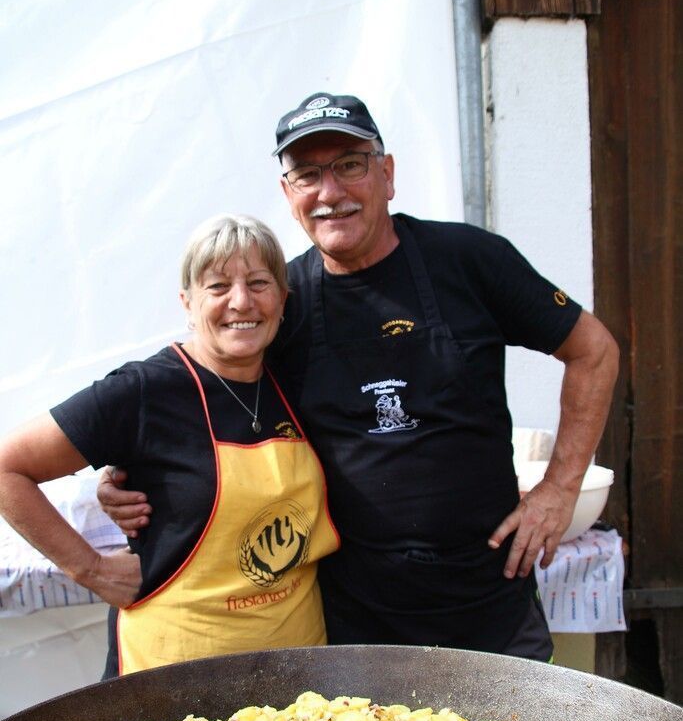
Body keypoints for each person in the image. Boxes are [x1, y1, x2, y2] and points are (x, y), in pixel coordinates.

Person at [101, 93, 619, 661]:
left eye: (349, 165)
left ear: (387, 174)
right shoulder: (284, 303)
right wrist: (135, 471)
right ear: (289, 195)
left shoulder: (469, 260)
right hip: (357, 614)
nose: (331, 192)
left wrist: (560, 489)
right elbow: (215, 393)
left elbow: (593, 350)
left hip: (488, 597)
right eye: (307, 175)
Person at [0, 214, 339, 676]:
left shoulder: (295, 377)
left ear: (283, 299)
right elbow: (7, 469)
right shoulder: (143, 391)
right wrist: (90, 569)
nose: (241, 301)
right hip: (173, 678)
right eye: (218, 287)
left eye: (259, 282)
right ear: (187, 302)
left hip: (297, 674)